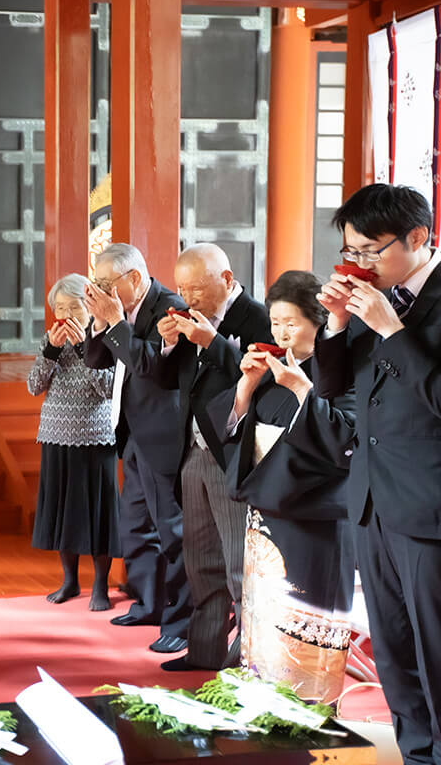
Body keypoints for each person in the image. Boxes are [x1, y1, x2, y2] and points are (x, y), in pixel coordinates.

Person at [307, 184, 441, 763]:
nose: (359, 262)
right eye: (351, 251)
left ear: (418, 237)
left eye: (369, 250)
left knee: (436, 652)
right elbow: (332, 387)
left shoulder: (400, 307)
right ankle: (416, 756)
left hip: (429, 505)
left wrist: (393, 332)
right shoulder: (374, 296)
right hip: (370, 501)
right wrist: (336, 323)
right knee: (394, 653)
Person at [208, 270, 356, 702]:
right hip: (266, 510)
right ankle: (264, 701)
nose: (281, 333)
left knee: (305, 616)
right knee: (263, 612)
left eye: (292, 323)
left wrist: (305, 393)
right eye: (275, 323)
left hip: (314, 516)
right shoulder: (272, 368)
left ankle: (309, 706)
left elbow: (346, 440)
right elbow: (231, 430)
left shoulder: (340, 371)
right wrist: (246, 385)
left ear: (318, 322)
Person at [145, 244, 273, 672]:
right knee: (200, 560)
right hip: (193, 450)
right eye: (181, 289)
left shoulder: (257, 318)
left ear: (226, 278)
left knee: (238, 563)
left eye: (196, 288)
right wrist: (167, 345)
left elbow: (264, 380)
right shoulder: (187, 316)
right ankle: (204, 650)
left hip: (232, 453)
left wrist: (213, 343)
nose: (187, 298)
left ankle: (249, 657)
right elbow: (166, 381)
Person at [83, 243, 192, 654]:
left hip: (164, 437)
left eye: (106, 282)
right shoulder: (118, 308)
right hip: (131, 434)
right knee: (135, 528)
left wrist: (115, 321)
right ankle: (151, 603)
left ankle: (182, 622)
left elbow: (150, 367)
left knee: (173, 533)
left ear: (133, 277)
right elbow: (95, 360)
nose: (101, 290)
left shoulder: (170, 307)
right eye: (97, 282)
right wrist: (101, 322)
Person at [26, 274, 118, 611]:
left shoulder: (105, 338)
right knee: (63, 512)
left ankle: (101, 586)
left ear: (90, 307)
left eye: (74, 307)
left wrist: (83, 348)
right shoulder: (50, 339)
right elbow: (34, 386)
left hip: (96, 437)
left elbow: (108, 389)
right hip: (55, 435)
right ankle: (70, 581)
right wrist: (50, 351)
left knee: (98, 515)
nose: (67, 315)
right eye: (60, 308)